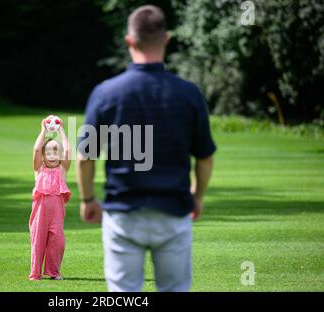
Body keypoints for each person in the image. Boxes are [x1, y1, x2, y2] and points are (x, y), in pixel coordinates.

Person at [76, 5, 216, 291]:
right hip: (173, 213)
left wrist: (88, 198)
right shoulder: (189, 94)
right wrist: (197, 197)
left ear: (129, 41)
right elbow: (204, 157)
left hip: (123, 214)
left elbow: (85, 157)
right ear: (166, 39)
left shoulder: (105, 93)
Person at [29, 118, 71, 280]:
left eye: (56, 152)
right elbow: (36, 149)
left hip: (57, 214)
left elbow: (67, 150)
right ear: (43, 156)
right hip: (40, 214)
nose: (52, 155)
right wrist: (43, 131)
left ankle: (53, 272)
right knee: (38, 241)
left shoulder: (62, 169)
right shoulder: (39, 169)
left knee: (57, 242)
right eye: (48, 152)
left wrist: (61, 130)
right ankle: (35, 273)